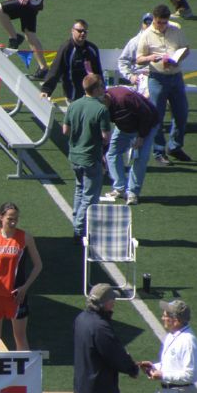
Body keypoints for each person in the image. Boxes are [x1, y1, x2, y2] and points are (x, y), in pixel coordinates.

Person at [0, 202, 42, 351]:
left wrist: (25, 287)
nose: (13, 222)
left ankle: (24, 373)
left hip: (16, 295)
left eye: (16, 219)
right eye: (10, 219)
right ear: (1, 217)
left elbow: (38, 265)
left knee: (20, 337)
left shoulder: (25, 237)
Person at [136, 4, 191, 162]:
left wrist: (177, 58)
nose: (161, 26)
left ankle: (175, 146)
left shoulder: (176, 31)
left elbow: (186, 48)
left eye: (164, 22)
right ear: (154, 19)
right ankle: (159, 151)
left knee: (181, 113)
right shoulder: (146, 35)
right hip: (157, 78)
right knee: (157, 116)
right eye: (158, 22)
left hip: (175, 76)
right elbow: (139, 59)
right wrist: (150, 58)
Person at [63, 74, 111, 242]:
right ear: (96, 89)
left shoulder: (74, 105)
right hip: (91, 157)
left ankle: (77, 222)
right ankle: (79, 230)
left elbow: (65, 130)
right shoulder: (101, 109)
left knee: (79, 191)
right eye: (101, 86)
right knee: (90, 196)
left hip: (75, 156)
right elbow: (106, 137)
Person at [102, 86, 159, 206]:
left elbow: (146, 114)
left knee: (141, 158)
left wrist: (141, 136)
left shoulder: (124, 98)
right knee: (112, 153)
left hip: (147, 124)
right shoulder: (101, 105)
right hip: (124, 126)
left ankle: (133, 193)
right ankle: (120, 188)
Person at [40, 19, 103, 102]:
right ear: (72, 31)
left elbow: (98, 71)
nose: (83, 33)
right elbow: (55, 70)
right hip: (73, 95)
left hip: (92, 95)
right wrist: (46, 90)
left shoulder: (92, 49)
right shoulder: (67, 49)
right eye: (80, 31)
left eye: (85, 31)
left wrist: (102, 89)